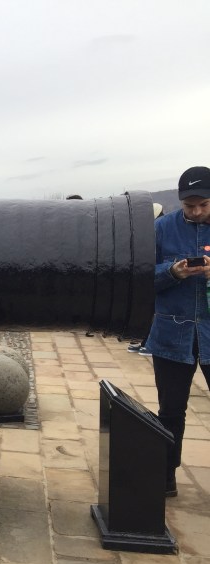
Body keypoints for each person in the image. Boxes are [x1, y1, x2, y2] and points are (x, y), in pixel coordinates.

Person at [145, 166, 210, 497]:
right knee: (171, 410)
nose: (196, 212)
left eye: (204, 205)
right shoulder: (161, 229)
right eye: (189, 206)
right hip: (172, 332)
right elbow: (142, 275)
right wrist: (172, 272)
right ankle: (165, 476)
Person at [127, 204, 166, 356]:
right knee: (152, 311)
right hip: (153, 275)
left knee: (147, 310)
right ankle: (144, 342)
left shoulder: (149, 229)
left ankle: (139, 341)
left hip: (148, 275)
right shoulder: (157, 229)